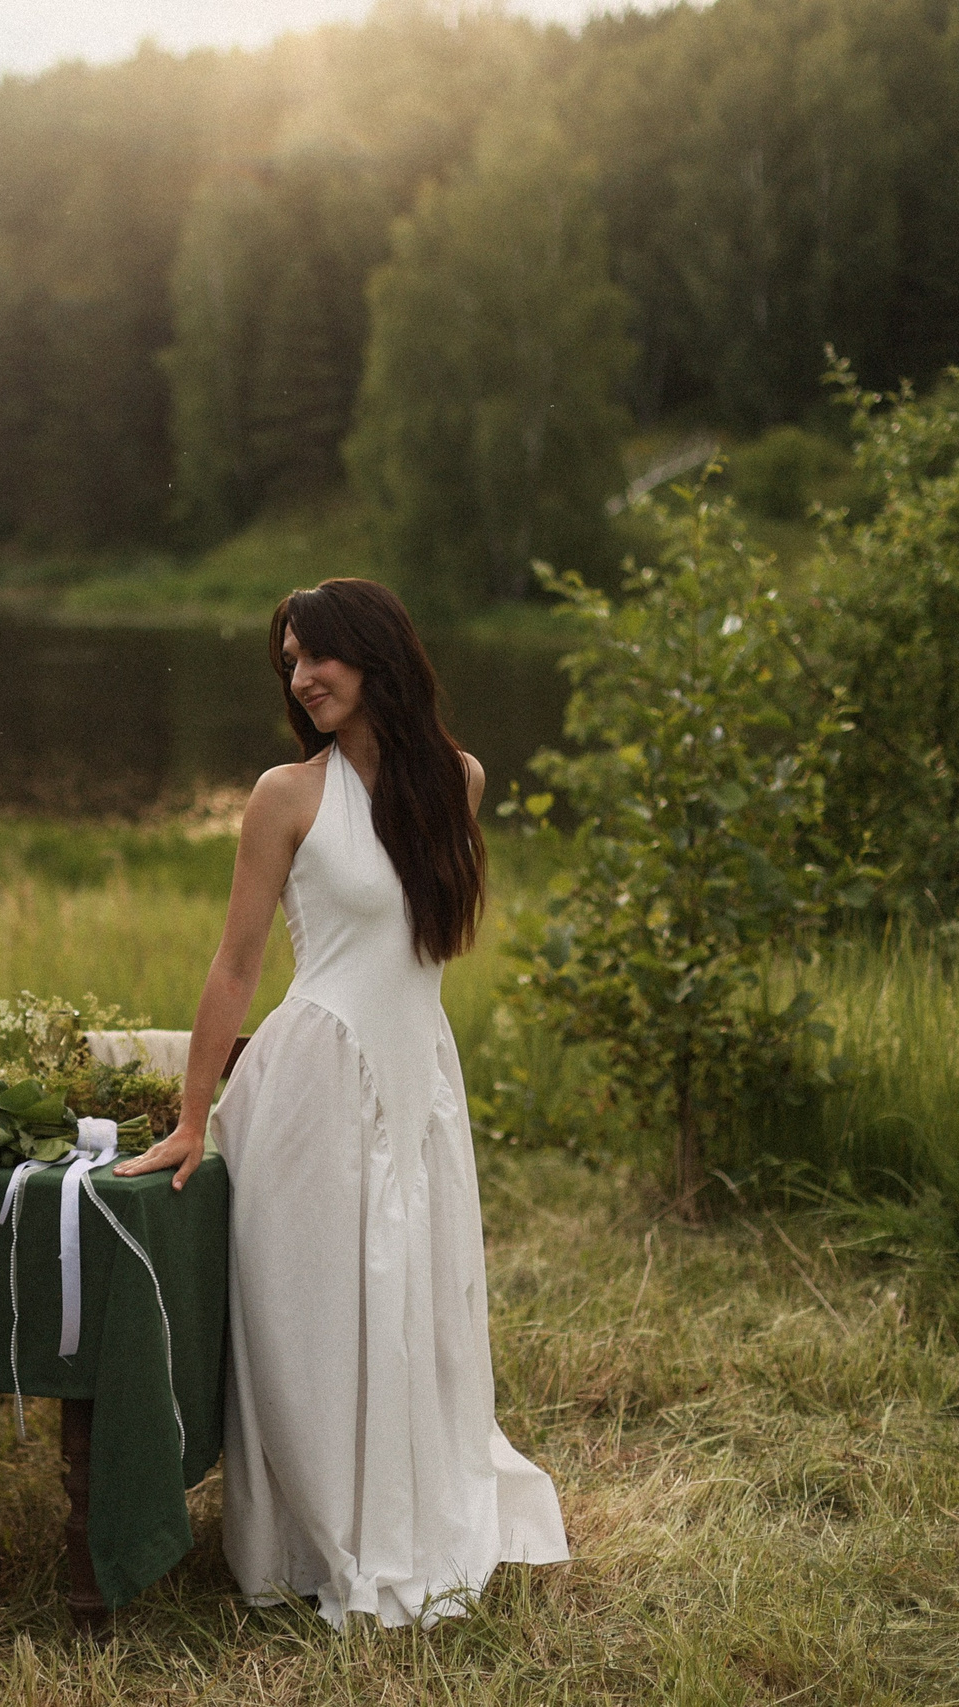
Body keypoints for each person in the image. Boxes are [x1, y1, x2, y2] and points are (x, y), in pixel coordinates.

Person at [115, 576, 567, 1626]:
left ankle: (413, 1505)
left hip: (417, 1077)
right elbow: (233, 965)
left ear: (375, 655)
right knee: (312, 1310)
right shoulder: (286, 795)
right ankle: (316, 1537)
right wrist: (192, 1117)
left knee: (418, 1293)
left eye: (315, 654)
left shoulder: (458, 779)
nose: (299, 675)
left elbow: (419, 945)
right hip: (312, 1083)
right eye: (287, 659)